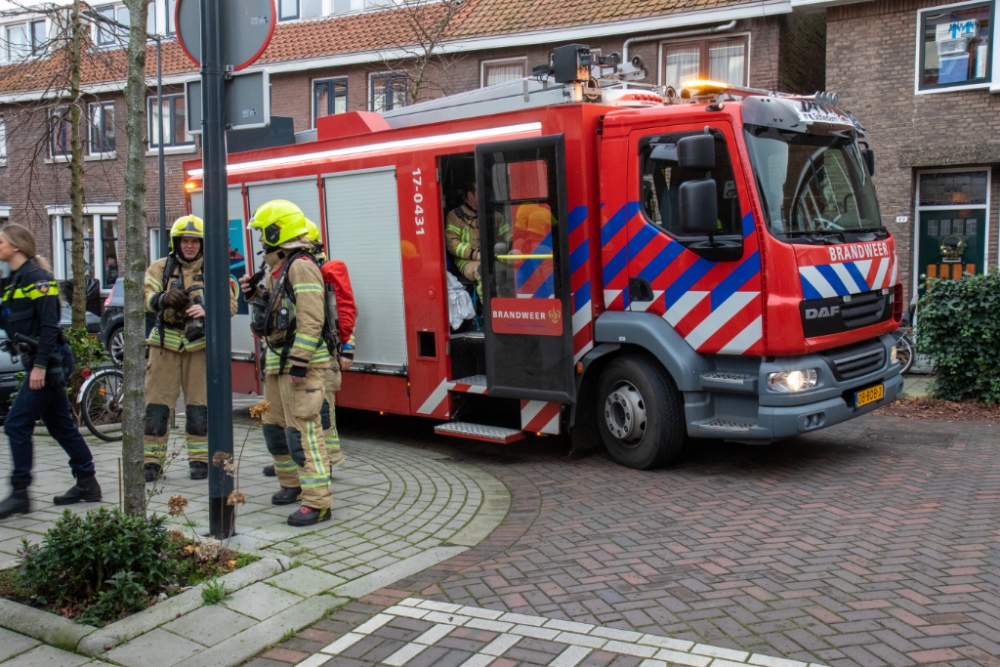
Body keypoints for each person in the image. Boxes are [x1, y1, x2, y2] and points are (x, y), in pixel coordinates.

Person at [241, 200, 333, 527]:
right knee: (274, 429)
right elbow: (272, 313)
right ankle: (290, 484)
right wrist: (253, 295)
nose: (261, 239)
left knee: (303, 432)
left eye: (263, 232)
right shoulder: (280, 267)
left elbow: (311, 319)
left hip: (298, 364)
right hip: (276, 360)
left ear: (277, 230)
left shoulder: (301, 265)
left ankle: (318, 503)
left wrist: (299, 363)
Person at [0, 224, 102, 519]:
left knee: (16, 424)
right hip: (39, 361)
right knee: (59, 425)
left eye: (1, 241)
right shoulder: (15, 280)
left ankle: (20, 493)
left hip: (50, 360)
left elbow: (49, 327)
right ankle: (87, 482)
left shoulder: (39, 280)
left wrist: (41, 367)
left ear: (16, 246)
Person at [143, 216, 238, 482]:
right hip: (165, 346)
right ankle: (151, 461)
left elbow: (230, 306)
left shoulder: (215, 269)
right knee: (156, 408)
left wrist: (207, 309)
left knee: (200, 409)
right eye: (184, 240)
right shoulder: (160, 268)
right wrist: (163, 298)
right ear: (176, 242)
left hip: (199, 347)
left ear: (202, 244)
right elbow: (144, 298)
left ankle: (199, 460)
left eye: (194, 241)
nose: (189, 245)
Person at [262, 219, 355, 477]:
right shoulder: (291, 269)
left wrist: (347, 348)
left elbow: (337, 316)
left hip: (320, 357)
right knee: (304, 416)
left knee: (319, 414)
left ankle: (326, 464)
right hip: (301, 356)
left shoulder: (314, 270)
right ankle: (303, 463)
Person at [445, 180, 482, 284]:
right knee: (481, 272)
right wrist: (475, 255)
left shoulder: (493, 214)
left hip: (492, 258)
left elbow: (507, 233)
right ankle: (486, 301)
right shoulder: (455, 216)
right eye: (481, 191)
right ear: (470, 195)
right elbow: (452, 244)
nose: (485, 194)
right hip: (466, 260)